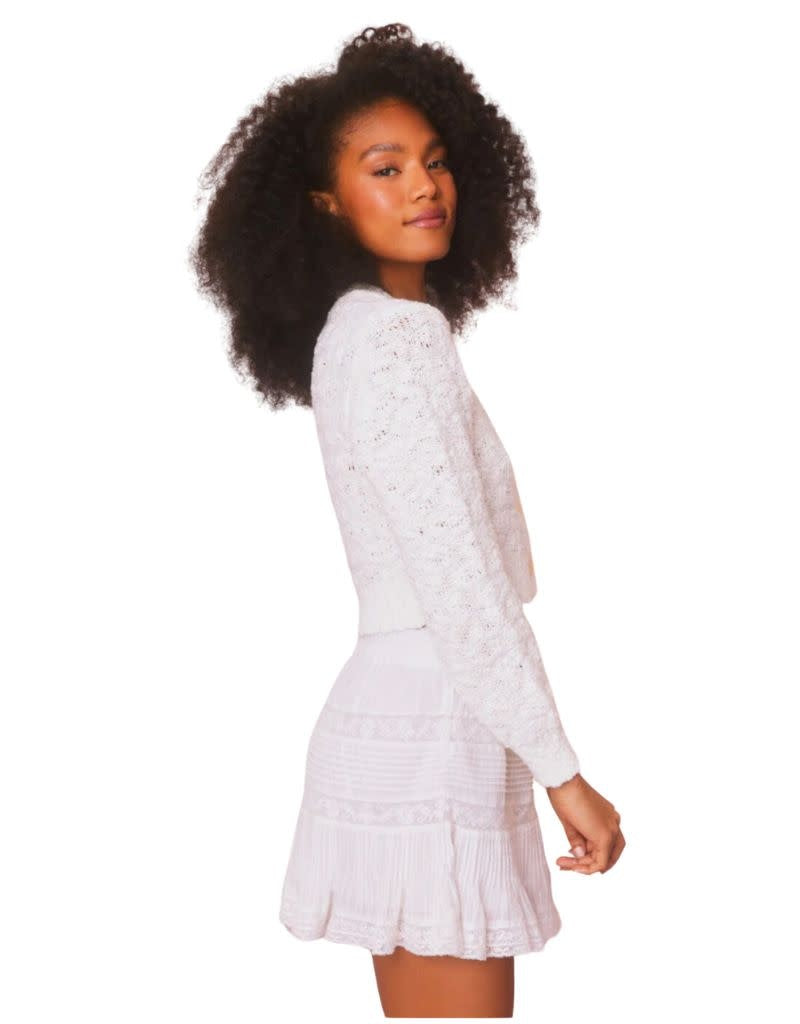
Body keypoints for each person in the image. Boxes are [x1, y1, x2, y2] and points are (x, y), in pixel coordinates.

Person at [189, 22, 624, 1019]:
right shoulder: (394, 341)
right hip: (437, 721)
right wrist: (564, 776)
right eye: (384, 169)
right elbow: (462, 590)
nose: (424, 186)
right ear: (324, 202)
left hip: (412, 707)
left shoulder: (354, 333)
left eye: (435, 161)